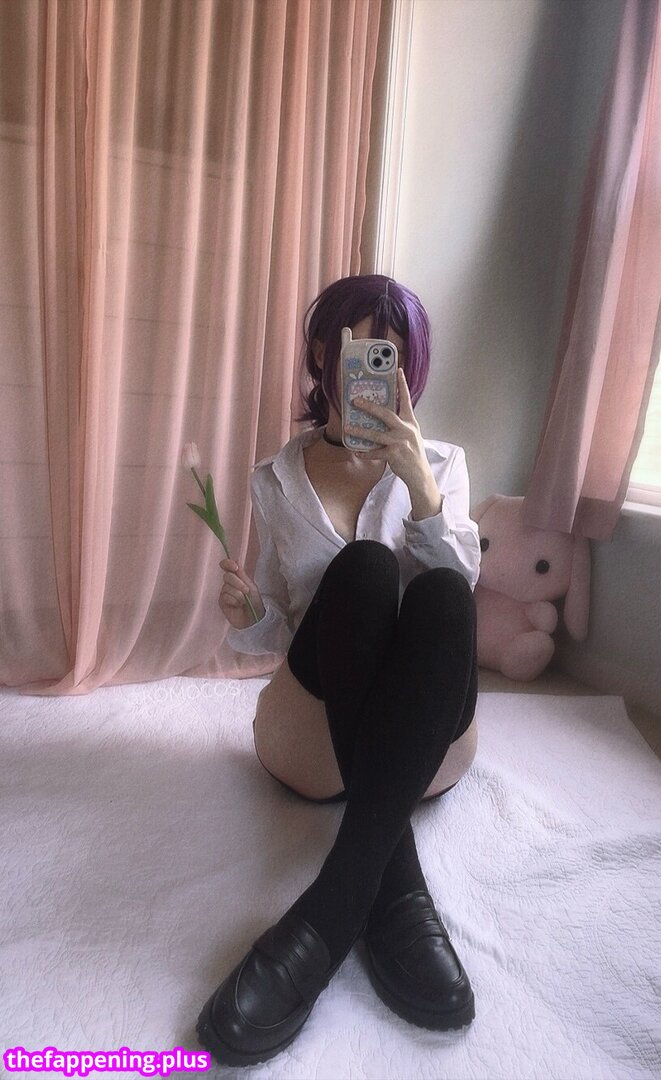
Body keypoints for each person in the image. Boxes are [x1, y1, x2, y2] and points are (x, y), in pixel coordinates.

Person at [196, 274, 482, 1067]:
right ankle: (390, 891)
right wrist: (249, 616)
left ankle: (330, 913)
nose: (366, 364)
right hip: (313, 741)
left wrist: (420, 486)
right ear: (322, 350)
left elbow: (459, 600)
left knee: (443, 596)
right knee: (361, 572)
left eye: (386, 351)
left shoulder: (444, 463)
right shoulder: (275, 478)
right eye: (352, 344)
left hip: (427, 745)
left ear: (408, 366)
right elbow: (287, 633)